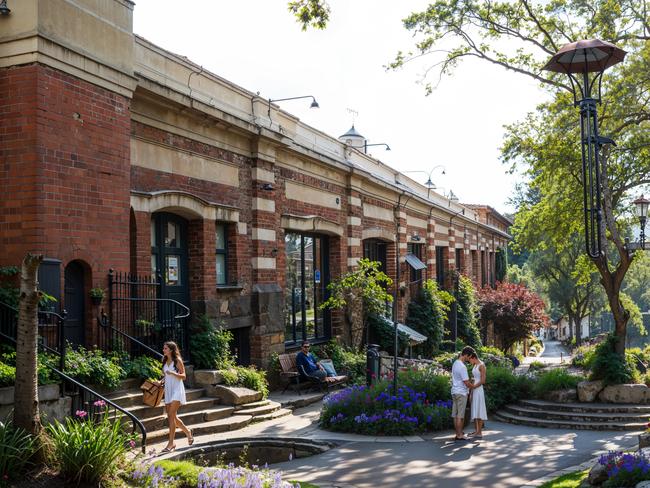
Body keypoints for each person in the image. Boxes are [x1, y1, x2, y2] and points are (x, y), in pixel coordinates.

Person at [156, 341, 193, 453]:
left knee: (171, 416)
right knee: (172, 417)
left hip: (177, 389)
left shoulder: (178, 361)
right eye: (164, 348)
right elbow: (166, 376)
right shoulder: (164, 360)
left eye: (165, 348)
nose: (163, 350)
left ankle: (171, 443)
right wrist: (160, 381)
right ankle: (188, 432)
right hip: (168, 390)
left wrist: (173, 373)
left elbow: (184, 376)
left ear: (171, 350)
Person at [451, 346, 476, 441]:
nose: (469, 359)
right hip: (461, 392)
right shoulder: (462, 366)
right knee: (460, 416)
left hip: (454, 391)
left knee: (455, 414)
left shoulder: (455, 363)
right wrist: (473, 386)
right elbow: (466, 382)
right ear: (466, 355)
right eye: (469, 357)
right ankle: (459, 435)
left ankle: (458, 433)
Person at [468, 351, 488, 438]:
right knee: (475, 409)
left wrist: (473, 386)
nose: (469, 362)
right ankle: (477, 431)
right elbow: (474, 378)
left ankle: (479, 432)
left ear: (473, 357)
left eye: (470, 360)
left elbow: (483, 380)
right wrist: (471, 391)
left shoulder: (481, 365)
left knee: (479, 409)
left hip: (479, 390)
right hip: (474, 389)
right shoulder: (475, 365)